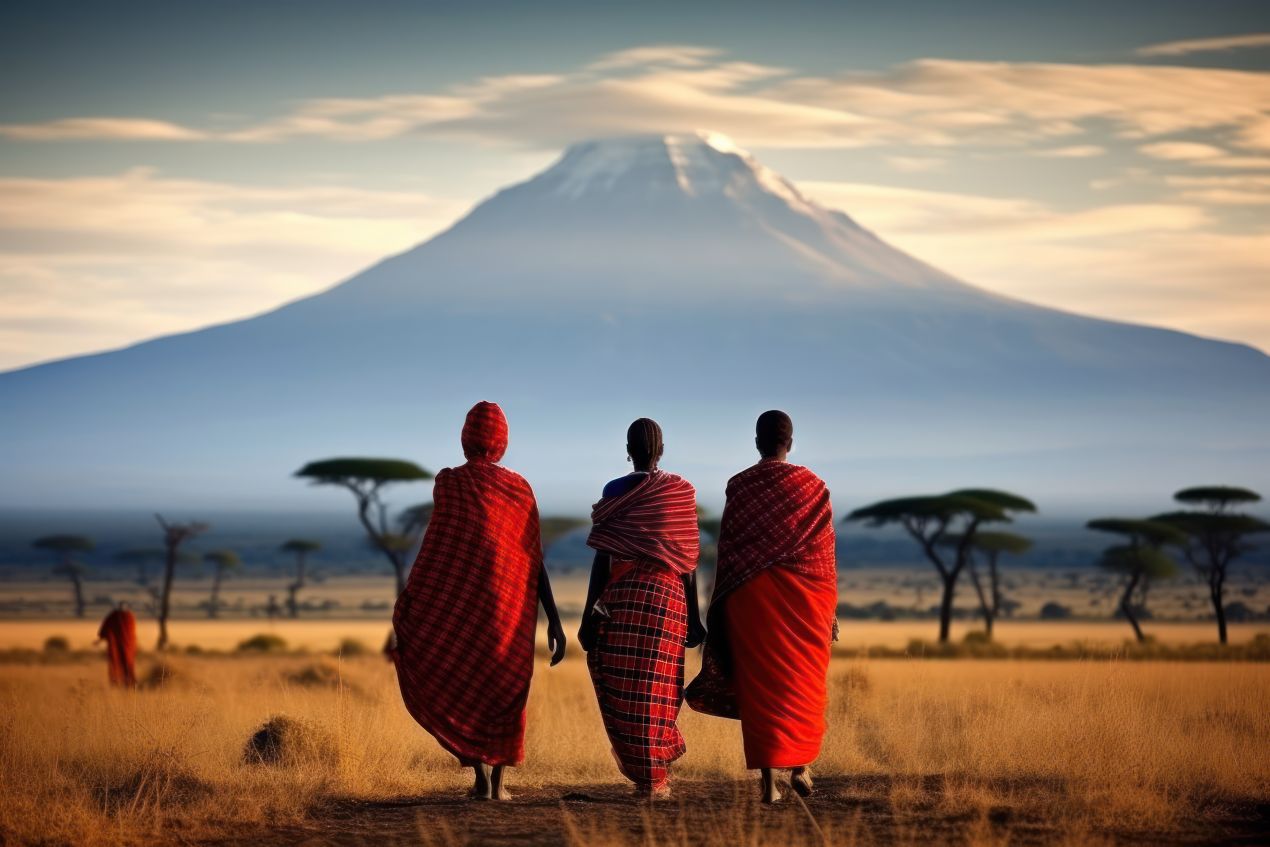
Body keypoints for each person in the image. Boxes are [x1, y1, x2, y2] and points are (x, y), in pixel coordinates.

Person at [392, 401, 566, 801]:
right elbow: (532, 556)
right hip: (510, 612)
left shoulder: (450, 482)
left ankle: (479, 780)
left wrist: (414, 604)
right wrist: (553, 618)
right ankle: (499, 786)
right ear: (502, 442)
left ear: (466, 439)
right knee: (506, 690)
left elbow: (435, 552)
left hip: (464, 607)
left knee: (463, 678)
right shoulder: (520, 489)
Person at [686, 410, 838, 804]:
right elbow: (823, 558)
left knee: (761, 689)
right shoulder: (814, 487)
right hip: (807, 600)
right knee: (803, 683)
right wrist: (830, 612)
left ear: (757, 442)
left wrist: (720, 604)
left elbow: (729, 553)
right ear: (791, 443)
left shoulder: (739, 486)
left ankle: (770, 784)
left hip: (751, 600)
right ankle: (801, 765)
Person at [580, 418, 704, 798]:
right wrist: (695, 617)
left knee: (623, 684)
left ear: (629, 451)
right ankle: (656, 778)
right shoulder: (680, 491)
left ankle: (646, 776)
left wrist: (588, 615)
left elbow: (603, 557)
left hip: (624, 598)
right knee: (660, 687)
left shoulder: (614, 490)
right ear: (662, 450)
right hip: (668, 600)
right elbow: (686, 560)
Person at [95, 601, 137, 688]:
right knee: (121, 664)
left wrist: (102, 638)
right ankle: (122, 684)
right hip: (122, 646)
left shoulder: (124, 616)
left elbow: (105, 630)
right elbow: (107, 628)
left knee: (124, 664)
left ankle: (127, 684)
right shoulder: (118, 616)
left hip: (123, 646)